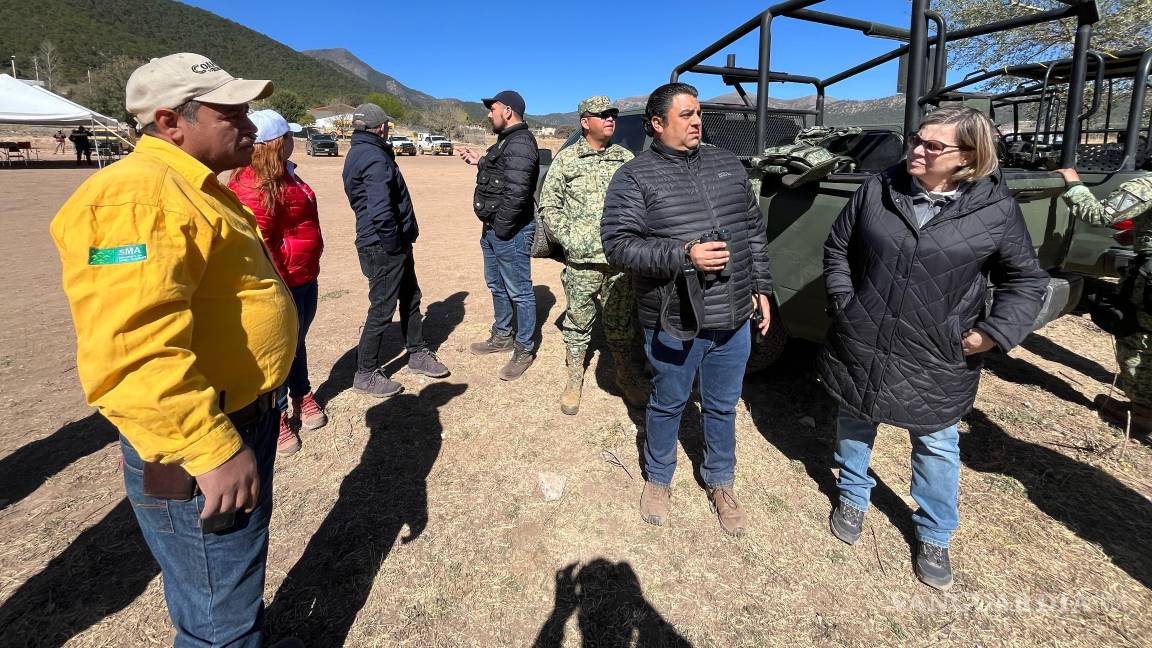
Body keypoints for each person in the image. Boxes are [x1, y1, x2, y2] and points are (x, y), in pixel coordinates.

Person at [50, 53, 302, 646]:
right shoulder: (136, 200)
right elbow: (132, 349)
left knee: (229, 586)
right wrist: (209, 448)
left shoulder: (192, 188)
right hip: (199, 441)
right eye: (232, 111)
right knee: (219, 616)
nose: (249, 122)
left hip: (239, 416)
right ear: (170, 123)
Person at [821, 105, 1048, 591]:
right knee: (855, 416)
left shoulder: (995, 209)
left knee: (936, 441)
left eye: (933, 146)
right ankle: (853, 496)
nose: (916, 151)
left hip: (935, 348)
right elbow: (838, 249)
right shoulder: (878, 188)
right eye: (916, 139)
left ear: (969, 157)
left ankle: (935, 532)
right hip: (866, 335)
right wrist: (847, 304)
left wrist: (989, 335)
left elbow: (1026, 281)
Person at [601, 82, 774, 537]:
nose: (697, 121)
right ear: (657, 124)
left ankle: (720, 481)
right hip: (674, 318)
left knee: (721, 405)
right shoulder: (634, 177)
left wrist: (761, 288)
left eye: (698, 113)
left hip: (733, 314)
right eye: (686, 115)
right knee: (668, 402)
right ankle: (659, 478)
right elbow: (618, 246)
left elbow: (753, 230)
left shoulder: (726, 164)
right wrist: (684, 254)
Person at [539, 95, 646, 414]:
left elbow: (640, 202)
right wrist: (570, 238)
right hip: (582, 262)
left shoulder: (625, 158)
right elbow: (549, 205)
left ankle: (624, 376)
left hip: (618, 261)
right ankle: (574, 379)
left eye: (613, 114)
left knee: (621, 323)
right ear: (585, 122)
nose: (611, 119)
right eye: (603, 115)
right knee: (578, 322)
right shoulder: (567, 159)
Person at [229, 109, 327, 456]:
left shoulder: (287, 175)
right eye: (288, 136)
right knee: (278, 347)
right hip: (282, 282)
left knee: (296, 341)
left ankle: (302, 393)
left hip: (303, 275)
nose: (293, 141)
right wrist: (279, 285)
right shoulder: (253, 185)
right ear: (275, 143)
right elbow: (261, 245)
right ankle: (279, 412)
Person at [343, 102, 449, 397]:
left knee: (410, 297)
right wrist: (393, 246)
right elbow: (380, 210)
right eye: (387, 125)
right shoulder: (374, 157)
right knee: (382, 308)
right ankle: (365, 373)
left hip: (388, 242)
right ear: (381, 127)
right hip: (383, 245)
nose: (388, 128)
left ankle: (416, 353)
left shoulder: (359, 152)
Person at [1056, 167, 1152, 436]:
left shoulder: (1146, 186)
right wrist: (1137, 234)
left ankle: (1143, 414)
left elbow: (1098, 215)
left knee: (1139, 343)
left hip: (1148, 285)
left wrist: (1073, 184)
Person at [458, 90, 540, 381]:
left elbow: (517, 193)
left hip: (510, 231)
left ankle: (524, 347)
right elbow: (503, 174)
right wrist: (480, 161)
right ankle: (503, 335)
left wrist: (502, 229)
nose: (489, 114)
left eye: (492, 109)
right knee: (496, 284)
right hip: (494, 229)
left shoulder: (520, 142)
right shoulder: (507, 141)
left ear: (507, 111)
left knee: (520, 290)